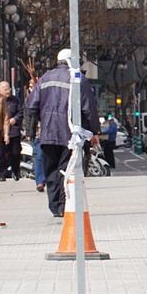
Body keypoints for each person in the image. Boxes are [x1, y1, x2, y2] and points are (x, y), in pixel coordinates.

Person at [24, 49, 100, 217]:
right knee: (67, 169)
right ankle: (65, 204)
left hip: (48, 134)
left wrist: (32, 128)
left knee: (50, 170)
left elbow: (31, 106)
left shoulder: (45, 78)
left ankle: (54, 206)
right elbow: (89, 108)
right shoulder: (78, 79)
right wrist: (94, 131)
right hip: (70, 133)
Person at [0, 81, 22, 182]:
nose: (8, 91)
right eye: (5, 89)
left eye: (8, 89)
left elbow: (21, 111)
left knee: (15, 153)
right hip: (0, 131)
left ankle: (16, 171)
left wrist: (15, 119)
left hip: (14, 131)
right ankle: (1, 174)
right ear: (0, 90)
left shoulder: (15, 100)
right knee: (1, 154)